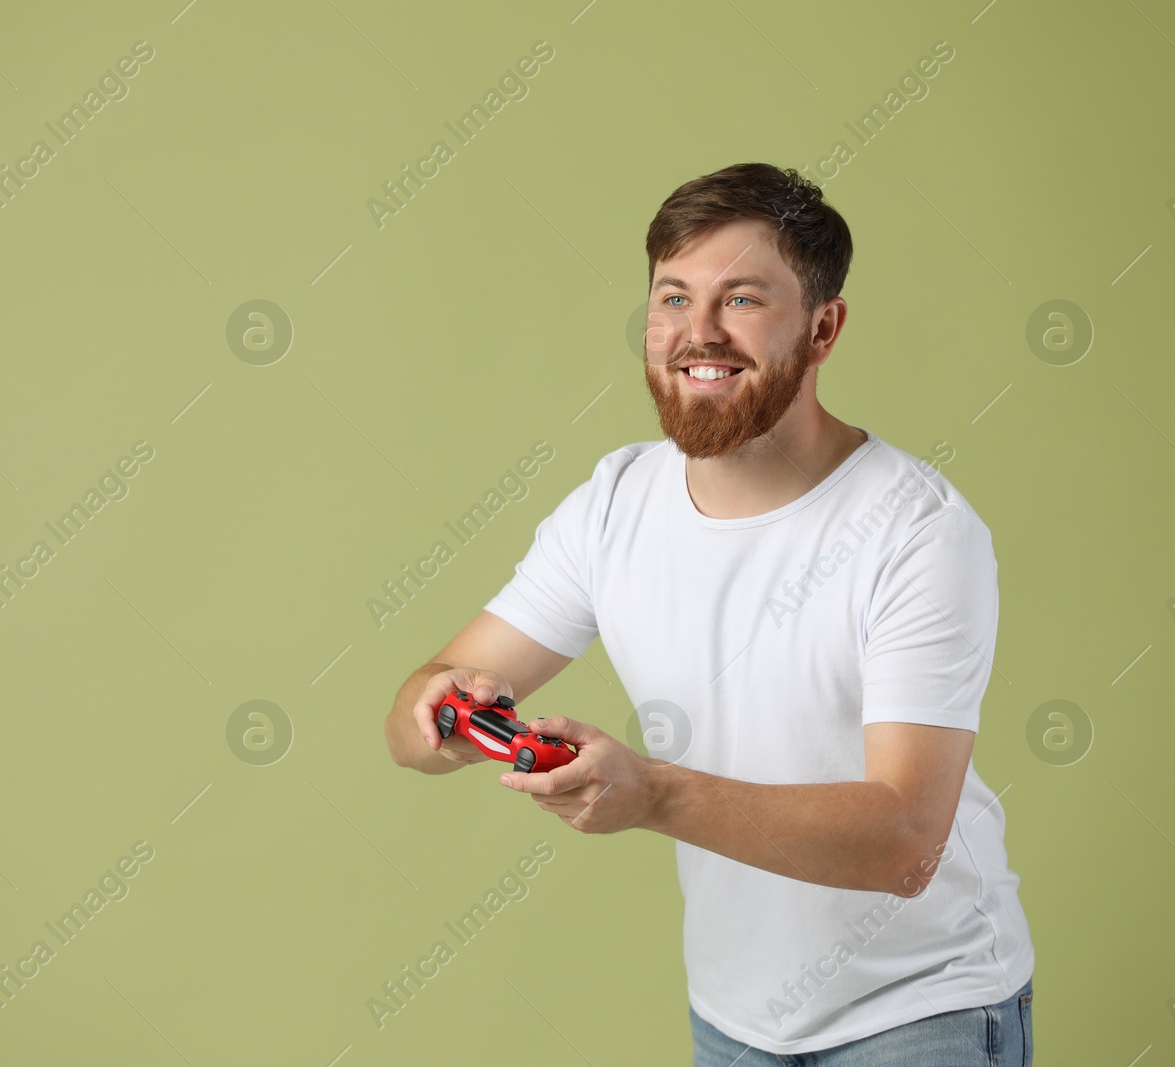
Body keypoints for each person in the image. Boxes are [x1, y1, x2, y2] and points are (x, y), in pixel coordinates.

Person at [382, 163, 1035, 1065]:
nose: (698, 334)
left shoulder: (918, 531)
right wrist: (438, 709)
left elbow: (905, 843)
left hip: (922, 1013)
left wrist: (652, 793)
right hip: (733, 1018)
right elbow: (416, 715)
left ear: (823, 327)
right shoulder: (615, 502)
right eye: (673, 297)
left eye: (741, 300)